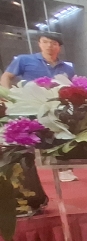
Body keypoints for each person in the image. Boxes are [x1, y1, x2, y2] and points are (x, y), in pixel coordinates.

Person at [3, 33, 79, 182]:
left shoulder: (67, 68)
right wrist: (8, 95)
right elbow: (6, 76)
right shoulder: (24, 60)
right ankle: (23, 171)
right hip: (30, 105)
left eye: (54, 43)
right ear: (39, 44)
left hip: (57, 107)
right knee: (25, 136)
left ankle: (64, 168)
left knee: (63, 133)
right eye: (45, 42)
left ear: (59, 47)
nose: (49, 46)